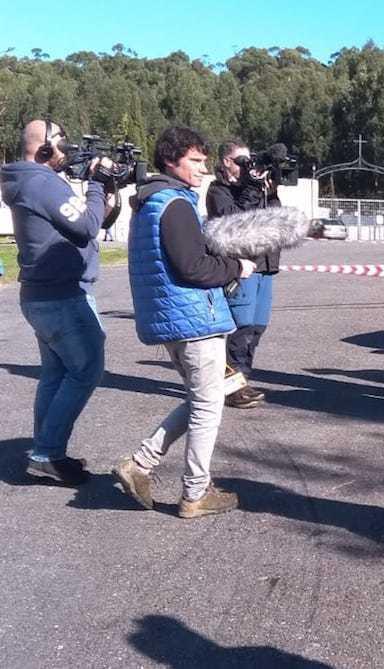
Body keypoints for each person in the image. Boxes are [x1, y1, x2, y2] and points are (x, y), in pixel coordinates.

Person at [113, 126, 256, 519]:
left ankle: (140, 464)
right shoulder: (173, 203)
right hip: (194, 321)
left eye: (204, 160)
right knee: (208, 406)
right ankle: (195, 492)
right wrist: (235, 267)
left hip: (174, 321)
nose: (202, 168)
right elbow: (192, 266)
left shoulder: (151, 201)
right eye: (195, 160)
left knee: (200, 398)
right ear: (171, 161)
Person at [0, 119, 109, 485]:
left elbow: (81, 222)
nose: (68, 152)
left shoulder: (26, 181)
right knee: (86, 369)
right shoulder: (40, 182)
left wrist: (105, 194)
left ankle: (45, 451)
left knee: (57, 373)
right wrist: (98, 185)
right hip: (63, 297)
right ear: (45, 147)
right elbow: (85, 227)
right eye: (63, 144)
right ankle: (47, 452)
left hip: (41, 296)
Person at [206, 140, 280, 410]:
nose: (246, 167)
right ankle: (231, 388)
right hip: (242, 267)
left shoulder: (251, 189)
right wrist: (250, 189)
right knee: (240, 329)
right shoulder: (219, 191)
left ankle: (242, 380)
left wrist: (271, 189)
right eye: (241, 162)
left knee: (257, 328)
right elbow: (235, 222)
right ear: (226, 162)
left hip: (265, 266)